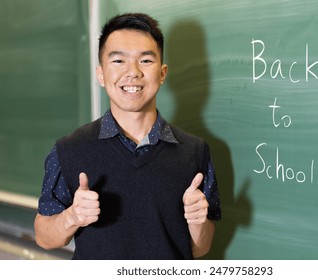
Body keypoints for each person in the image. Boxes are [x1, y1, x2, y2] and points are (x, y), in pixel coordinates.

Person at [34, 13, 221, 260]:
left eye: (145, 60)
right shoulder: (69, 149)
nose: (132, 73)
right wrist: (73, 217)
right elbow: (44, 237)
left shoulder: (195, 152)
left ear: (162, 73)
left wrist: (198, 222)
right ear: (101, 75)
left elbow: (199, 249)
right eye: (119, 60)